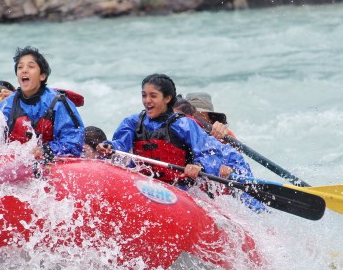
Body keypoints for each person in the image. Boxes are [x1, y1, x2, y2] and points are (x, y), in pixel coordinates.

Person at [97, 74, 263, 209]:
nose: (147, 100)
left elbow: (209, 153)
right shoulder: (132, 122)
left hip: (183, 190)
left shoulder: (186, 125)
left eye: (153, 96)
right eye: (144, 95)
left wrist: (198, 166)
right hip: (146, 186)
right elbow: (120, 145)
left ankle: (258, 211)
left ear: (167, 98)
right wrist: (109, 147)